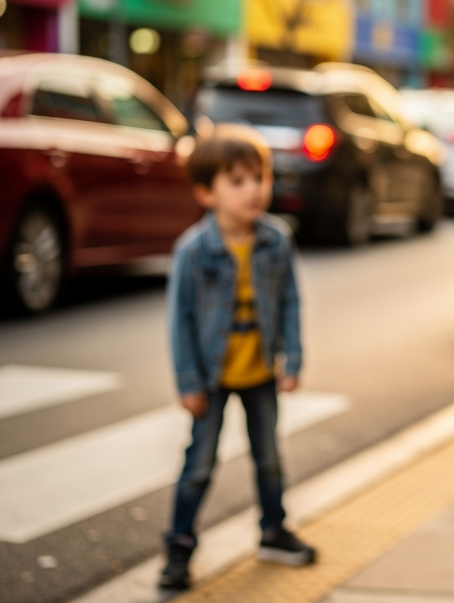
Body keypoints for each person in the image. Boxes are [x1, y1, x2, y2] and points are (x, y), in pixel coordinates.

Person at [159, 130, 316, 590]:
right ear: (206, 193)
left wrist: (294, 358)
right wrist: (187, 382)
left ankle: (273, 530)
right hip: (210, 376)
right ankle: (179, 547)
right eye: (238, 181)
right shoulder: (193, 250)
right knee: (200, 465)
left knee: (268, 457)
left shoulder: (275, 239)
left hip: (260, 373)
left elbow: (290, 301)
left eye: (259, 177)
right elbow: (179, 321)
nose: (254, 189)